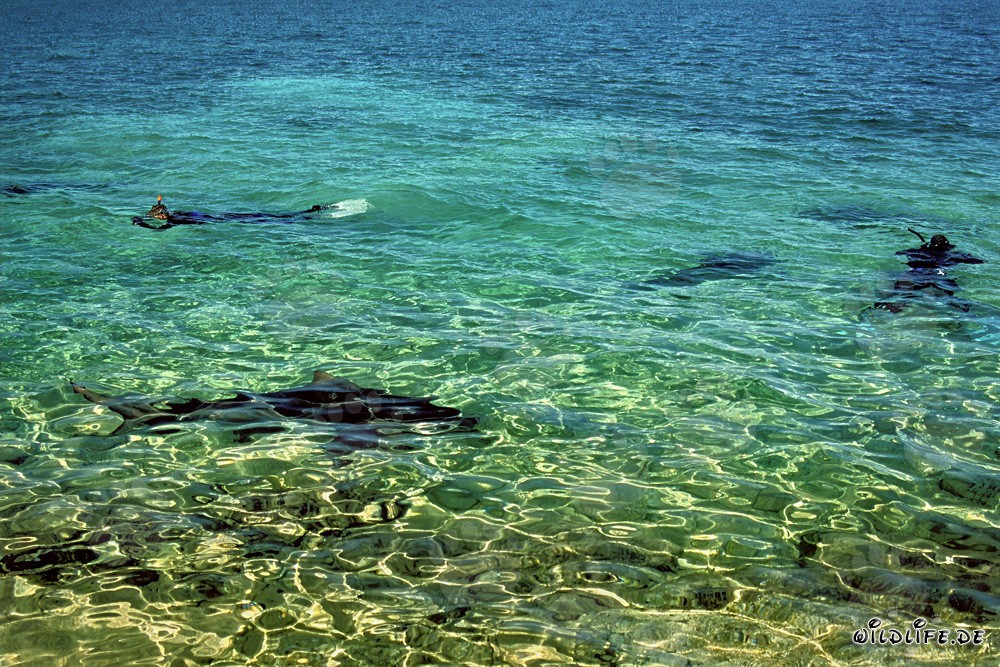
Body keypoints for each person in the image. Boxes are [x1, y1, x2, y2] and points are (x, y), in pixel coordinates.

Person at [132, 196, 328, 230]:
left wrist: (139, 223)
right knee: (263, 216)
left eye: (156, 216)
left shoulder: (173, 221)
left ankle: (306, 216)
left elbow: (158, 230)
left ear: (162, 215)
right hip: (224, 216)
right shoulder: (177, 213)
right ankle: (307, 212)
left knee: (266, 221)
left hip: (221, 222)